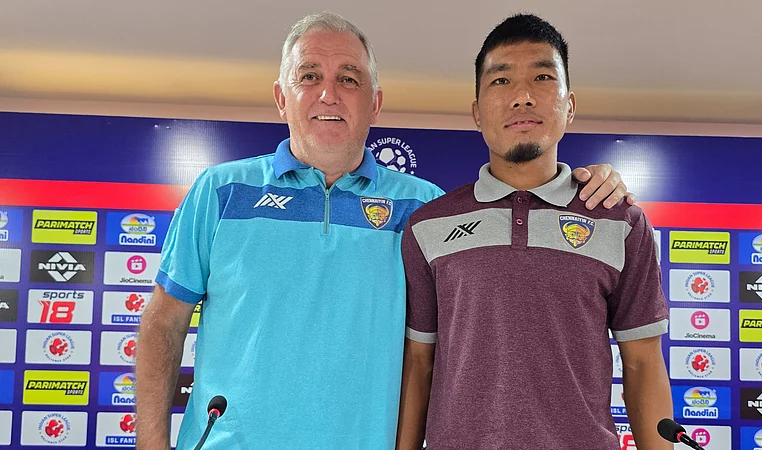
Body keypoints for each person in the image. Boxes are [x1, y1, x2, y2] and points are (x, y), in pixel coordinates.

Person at [135, 12, 637, 450]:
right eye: (309, 76)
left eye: (349, 79)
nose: (329, 93)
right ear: (281, 98)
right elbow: (163, 324)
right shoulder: (219, 192)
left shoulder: (426, 210)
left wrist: (589, 185)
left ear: (375, 102)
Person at [397, 13, 672, 450]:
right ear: (477, 112)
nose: (522, 97)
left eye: (542, 77)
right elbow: (418, 361)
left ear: (569, 105)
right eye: (501, 80)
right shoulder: (427, 226)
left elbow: (642, 364)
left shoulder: (620, 222)